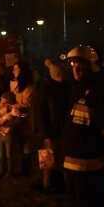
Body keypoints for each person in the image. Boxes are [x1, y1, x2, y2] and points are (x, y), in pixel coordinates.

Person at [56, 45, 104, 207]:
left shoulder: (98, 89)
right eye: (73, 65)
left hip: (89, 154)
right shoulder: (74, 87)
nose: (75, 69)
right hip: (72, 152)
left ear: (91, 67)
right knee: (74, 195)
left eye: (80, 66)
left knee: (89, 196)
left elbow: (103, 120)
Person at [38, 59, 70, 194]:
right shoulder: (46, 90)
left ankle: (62, 184)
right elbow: (42, 113)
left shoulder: (66, 87)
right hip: (51, 130)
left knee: (63, 157)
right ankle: (46, 184)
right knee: (48, 158)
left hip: (63, 129)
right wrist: (46, 134)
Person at [10, 60, 36, 177]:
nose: (13, 71)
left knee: (27, 145)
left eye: (16, 69)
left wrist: (14, 107)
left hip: (27, 121)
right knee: (21, 144)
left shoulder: (29, 89)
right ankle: (22, 168)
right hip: (19, 120)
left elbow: (25, 105)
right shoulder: (18, 87)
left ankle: (27, 171)